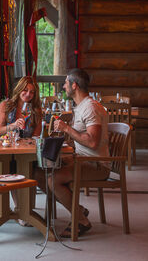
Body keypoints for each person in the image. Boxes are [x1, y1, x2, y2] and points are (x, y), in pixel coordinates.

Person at [34, 68, 110, 238]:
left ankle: (81, 220)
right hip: (81, 160)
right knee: (38, 173)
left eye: (66, 83)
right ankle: (79, 210)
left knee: (53, 179)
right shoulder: (81, 106)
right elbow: (81, 138)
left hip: (97, 164)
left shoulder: (90, 107)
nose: (63, 87)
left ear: (74, 85)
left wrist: (66, 128)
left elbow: (92, 141)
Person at [0, 76, 42, 226]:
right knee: (10, 167)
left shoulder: (35, 111)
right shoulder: (6, 105)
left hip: (28, 154)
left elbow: (36, 136)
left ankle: (23, 210)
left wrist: (28, 142)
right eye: (25, 90)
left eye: (32, 92)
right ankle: (19, 208)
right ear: (19, 89)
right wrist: (13, 125)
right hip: (8, 151)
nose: (28, 94)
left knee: (21, 167)